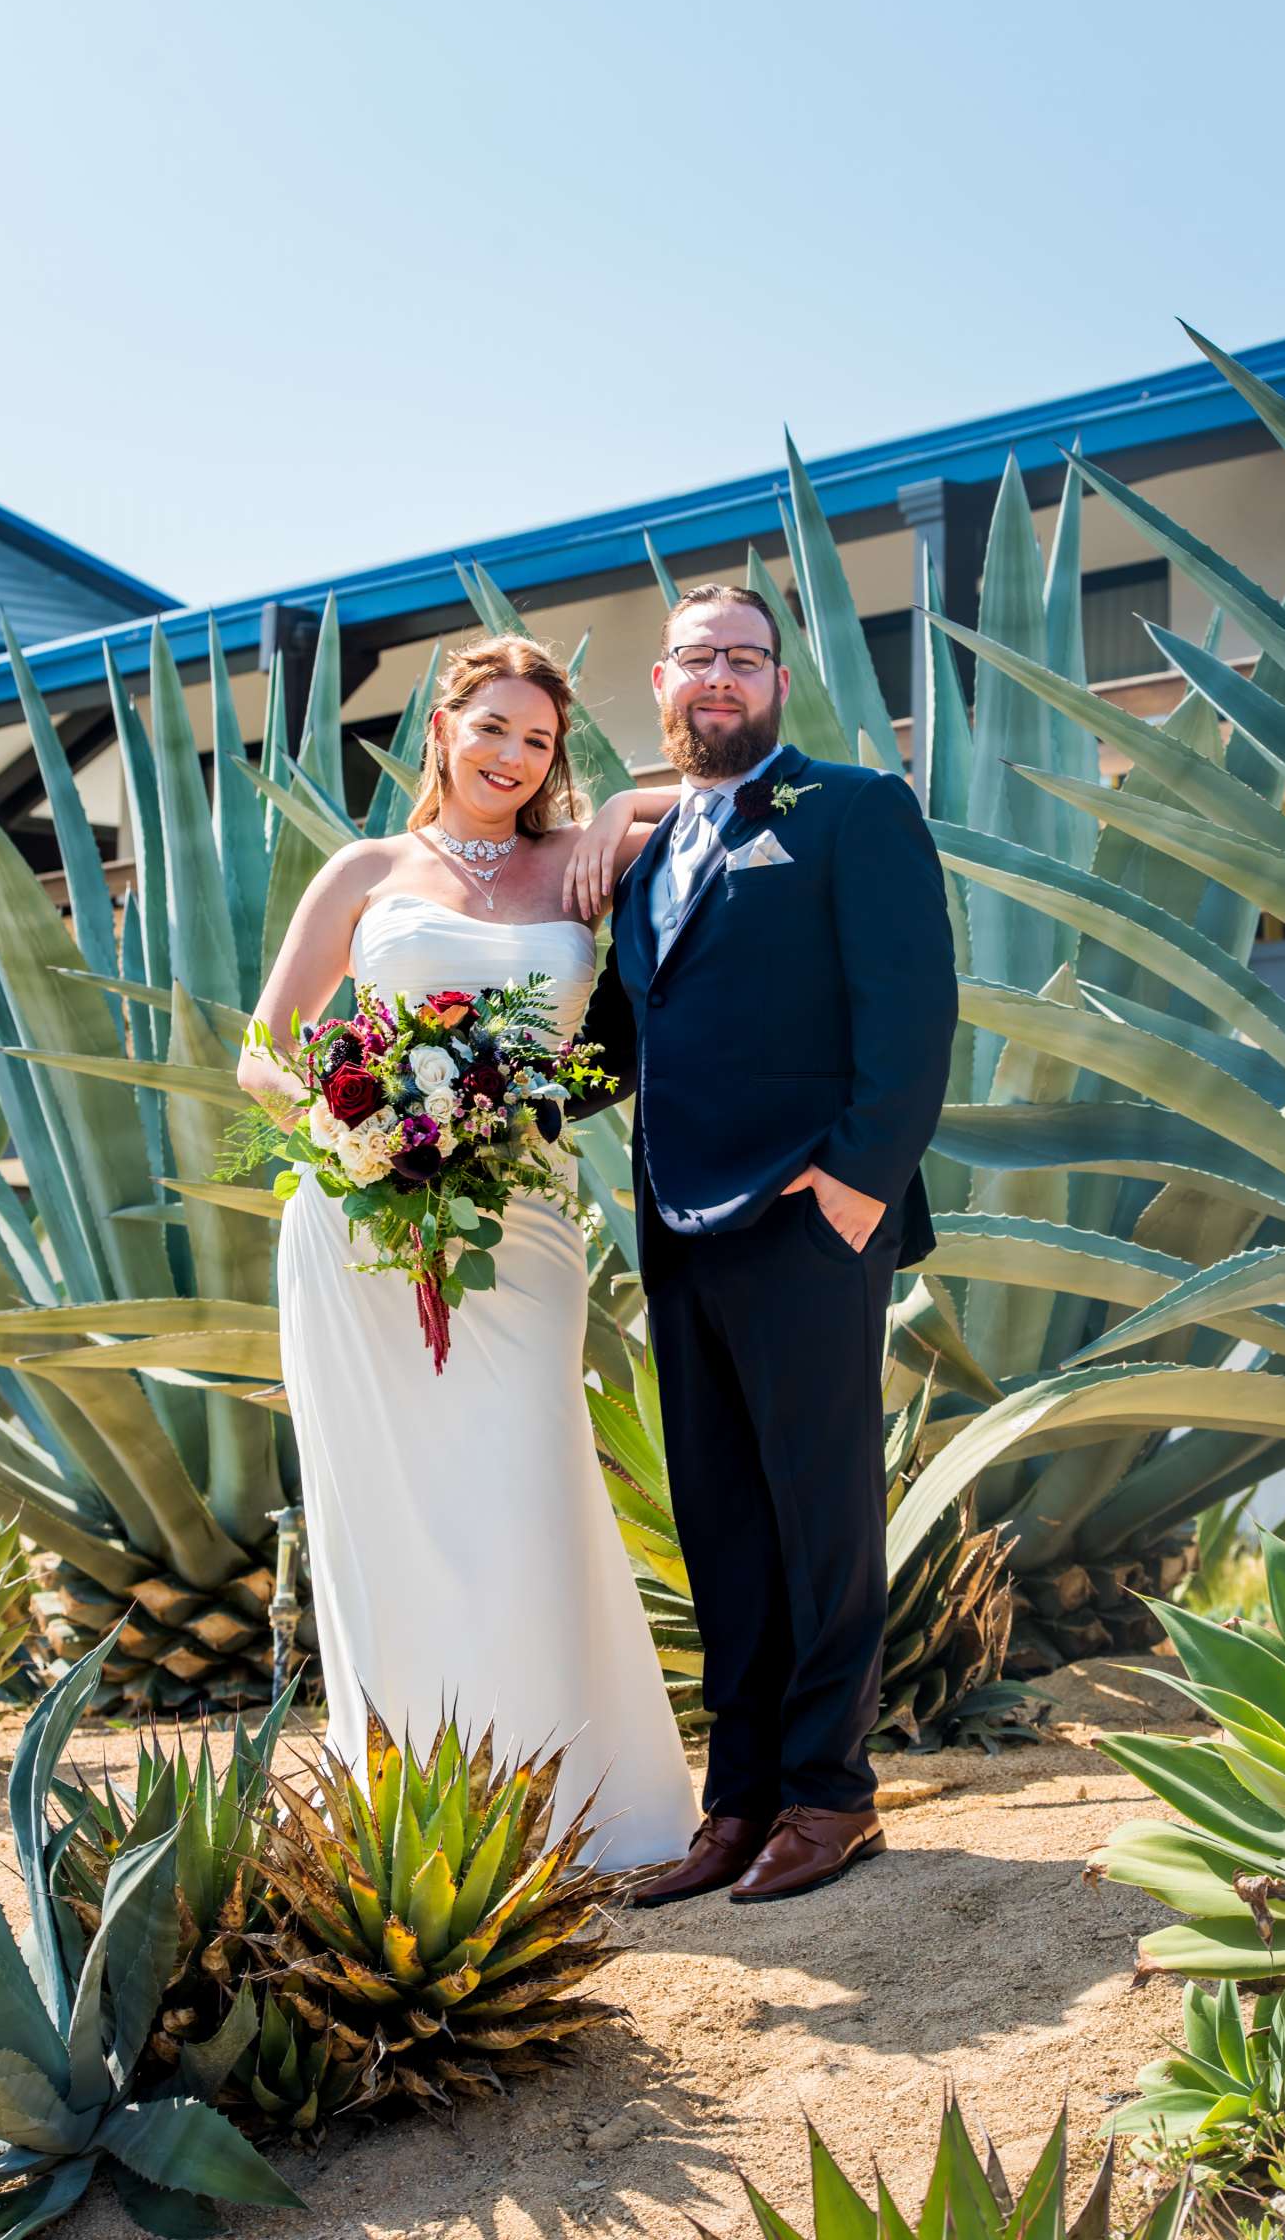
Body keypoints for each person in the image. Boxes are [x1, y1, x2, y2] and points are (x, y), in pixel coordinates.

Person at [237, 633, 695, 1870]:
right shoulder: (367, 869)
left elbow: (737, 791)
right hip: (361, 1224)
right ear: (440, 728)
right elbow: (264, 1050)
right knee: (392, 1507)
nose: (512, 755)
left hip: (525, 1223)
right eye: (490, 727)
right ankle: (416, 1815)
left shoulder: (580, 861)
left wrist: (631, 804)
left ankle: (576, 1812)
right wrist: (358, 1129)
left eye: (539, 739)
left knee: (521, 1486)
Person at [565, 582, 958, 1905]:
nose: (718, 677)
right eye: (694, 659)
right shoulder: (648, 849)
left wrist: (854, 1189)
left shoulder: (852, 811)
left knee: (819, 1512)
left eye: (743, 657)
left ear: (777, 683)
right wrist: (457, 1119)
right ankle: (735, 1804)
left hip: (806, 1220)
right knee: (723, 1522)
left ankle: (829, 1797)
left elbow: (909, 1013)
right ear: (662, 686)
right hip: (675, 1228)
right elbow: (623, 1042)